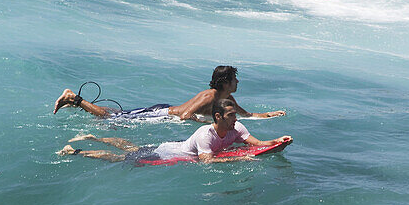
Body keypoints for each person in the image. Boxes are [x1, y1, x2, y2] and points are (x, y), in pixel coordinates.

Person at [59, 99, 291, 163]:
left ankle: (93, 137)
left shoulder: (237, 127)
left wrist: (276, 141)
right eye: (231, 116)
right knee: (123, 157)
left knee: (131, 148)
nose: (235, 119)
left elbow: (256, 143)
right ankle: (77, 151)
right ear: (218, 117)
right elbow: (207, 162)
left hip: (173, 149)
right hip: (166, 153)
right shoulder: (205, 135)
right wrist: (239, 160)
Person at [53, 65, 285, 121]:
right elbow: (185, 117)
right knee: (110, 116)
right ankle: (74, 97)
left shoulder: (226, 98)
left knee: (116, 113)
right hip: (162, 114)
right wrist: (205, 124)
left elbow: (247, 114)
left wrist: (269, 115)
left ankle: (74, 103)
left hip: (164, 111)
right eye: (235, 79)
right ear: (225, 82)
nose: (238, 82)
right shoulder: (210, 97)